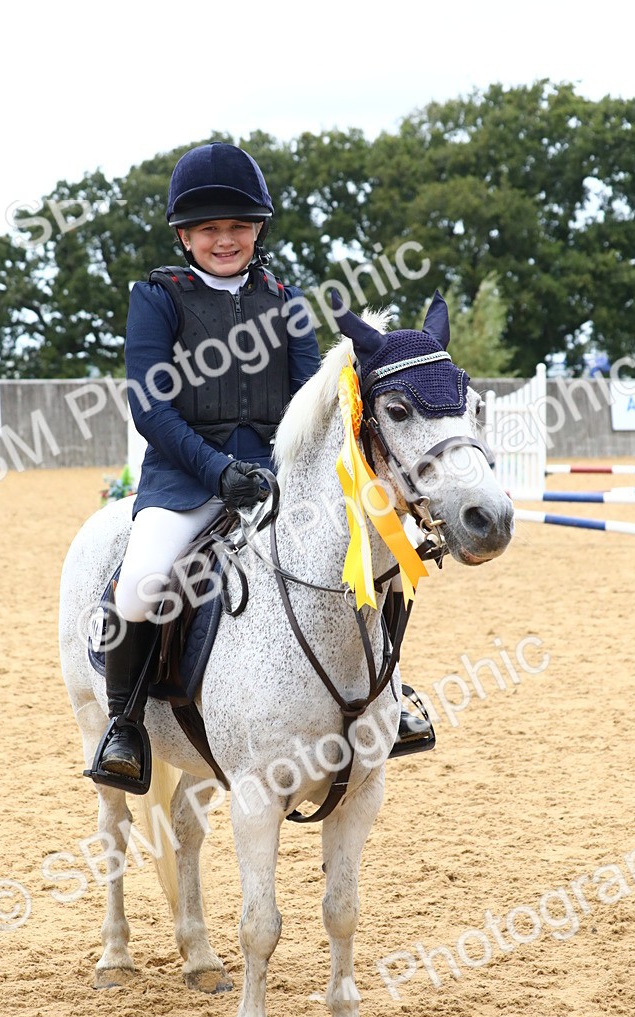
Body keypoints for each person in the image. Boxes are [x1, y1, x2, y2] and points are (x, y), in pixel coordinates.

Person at [91, 141, 432, 790]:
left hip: (278, 478)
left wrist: (298, 468)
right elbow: (151, 410)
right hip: (185, 478)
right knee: (140, 585)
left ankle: (387, 690)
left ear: (257, 231)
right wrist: (218, 471)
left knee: (380, 556)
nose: (226, 240)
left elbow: (315, 400)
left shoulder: (287, 300)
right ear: (186, 236)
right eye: (211, 230)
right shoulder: (156, 299)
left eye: (239, 228)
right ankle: (125, 723)